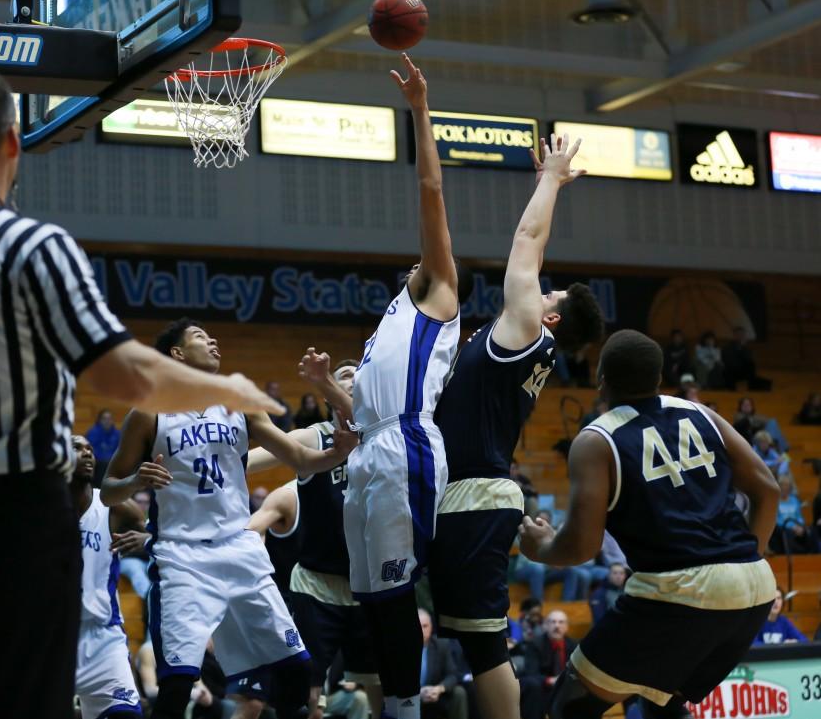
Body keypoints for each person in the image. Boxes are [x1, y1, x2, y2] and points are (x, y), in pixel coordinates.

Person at [0, 67, 281, 719]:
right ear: (12, 143)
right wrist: (230, 388)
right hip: (22, 521)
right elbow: (125, 374)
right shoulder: (34, 248)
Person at [299, 53, 471, 719]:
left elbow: (431, 191)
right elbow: (363, 415)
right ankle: (395, 706)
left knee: (397, 597)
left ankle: (409, 710)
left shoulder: (437, 294)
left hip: (405, 451)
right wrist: (326, 388)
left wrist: (421, 109)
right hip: (371, 450)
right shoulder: (390, 320)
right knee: (373, 600)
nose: (419, 257)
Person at [428, 132, 602, 719]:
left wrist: (551, 177)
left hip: (475, 493)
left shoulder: (528, 331)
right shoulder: (523, 342)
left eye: (546, 290)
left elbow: (528, 238)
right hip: (459, 494)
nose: (536, 286)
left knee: (482, 645)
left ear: (549, 315)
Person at [101, 319, 355, 719]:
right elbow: (109, 488)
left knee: (296, 671)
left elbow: (300, 457)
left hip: (239, 550)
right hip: (182, 558)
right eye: (201, 336)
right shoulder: (149, 413)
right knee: (178, 684)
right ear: (177, 355)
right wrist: (135, 479)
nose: (213, 340)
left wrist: (336, 454)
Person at [518, 329, 779, 719]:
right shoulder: (700, 412)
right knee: (661, 698)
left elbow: (582, 548)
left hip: (678, 589)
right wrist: (743, 561)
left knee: (572, 703)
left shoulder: (596, 439)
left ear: (600, 378)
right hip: (755, 585)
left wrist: (540, 546)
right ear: (659, 377)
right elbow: (768, 490)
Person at [248, 360, 381, 719]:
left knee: (381, 686)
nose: (353, 379)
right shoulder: (315, 435)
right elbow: (252, 460)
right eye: (344, 375)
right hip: (317, 585)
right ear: (328, 393)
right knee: (305, 688)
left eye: (359, 373)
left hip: (369, 584)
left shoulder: (383, 438)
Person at [72, 434, 147, 718]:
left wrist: (145, 538)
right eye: (77, 448)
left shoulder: (111, 507)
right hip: (54, 636)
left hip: (103, 637)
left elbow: (153, 529)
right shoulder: (42, 508)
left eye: (90, 448)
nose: (87, 453)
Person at [519, 611, 578, 719]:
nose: (557, 626)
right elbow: (531, 673)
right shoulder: (535, 644)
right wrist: (550, 680)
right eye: (552, 622)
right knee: (532, 684)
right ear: (545, 626)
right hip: (543, 686)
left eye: (561, 622)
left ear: (567, 627)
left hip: (566, 686)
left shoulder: (574, 645)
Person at [417, 609, 467, 719]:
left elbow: (452, 675)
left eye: (425, 626)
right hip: (412, 696)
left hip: (435, 694)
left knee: (459, 692)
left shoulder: (441, 645)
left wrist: (439, 689)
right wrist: (417, 693)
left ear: (431, 627)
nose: (421, 631)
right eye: (418, 626)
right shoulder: (402, 649)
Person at [770, 475, 817, 554]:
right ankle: (794, 556)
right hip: (783, 527)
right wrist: (792, 527)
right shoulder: (775, 501)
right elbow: (777, 520)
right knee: (788, 533)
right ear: (779, 487)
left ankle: (812, 557)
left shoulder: (794, 500)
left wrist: (800, 526)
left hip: (796, 526)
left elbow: (799, 516)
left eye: (787, 486)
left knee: (811, 531)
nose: (785, 488)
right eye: (783, 485)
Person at [722, 327, 771, 391]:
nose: (741, 337)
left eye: (742, 335)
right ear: (734, 336)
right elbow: (729, 362)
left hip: (743, 371)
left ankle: (752, 388)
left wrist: (742, 348)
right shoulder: (727, 348)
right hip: (730, 371)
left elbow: (749, 361)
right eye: (739, 335)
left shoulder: (746, 349)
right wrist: (740, 349)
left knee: (751, 366)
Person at [87, 409, 122, 479]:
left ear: (112, 420)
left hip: (113, 463)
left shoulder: (118, 434)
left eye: (109, 418)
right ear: (99, 420)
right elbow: (91, 450)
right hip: (99, 464)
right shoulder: (93, 433)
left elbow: (121, 450)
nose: (107, 421)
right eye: (104, 418)